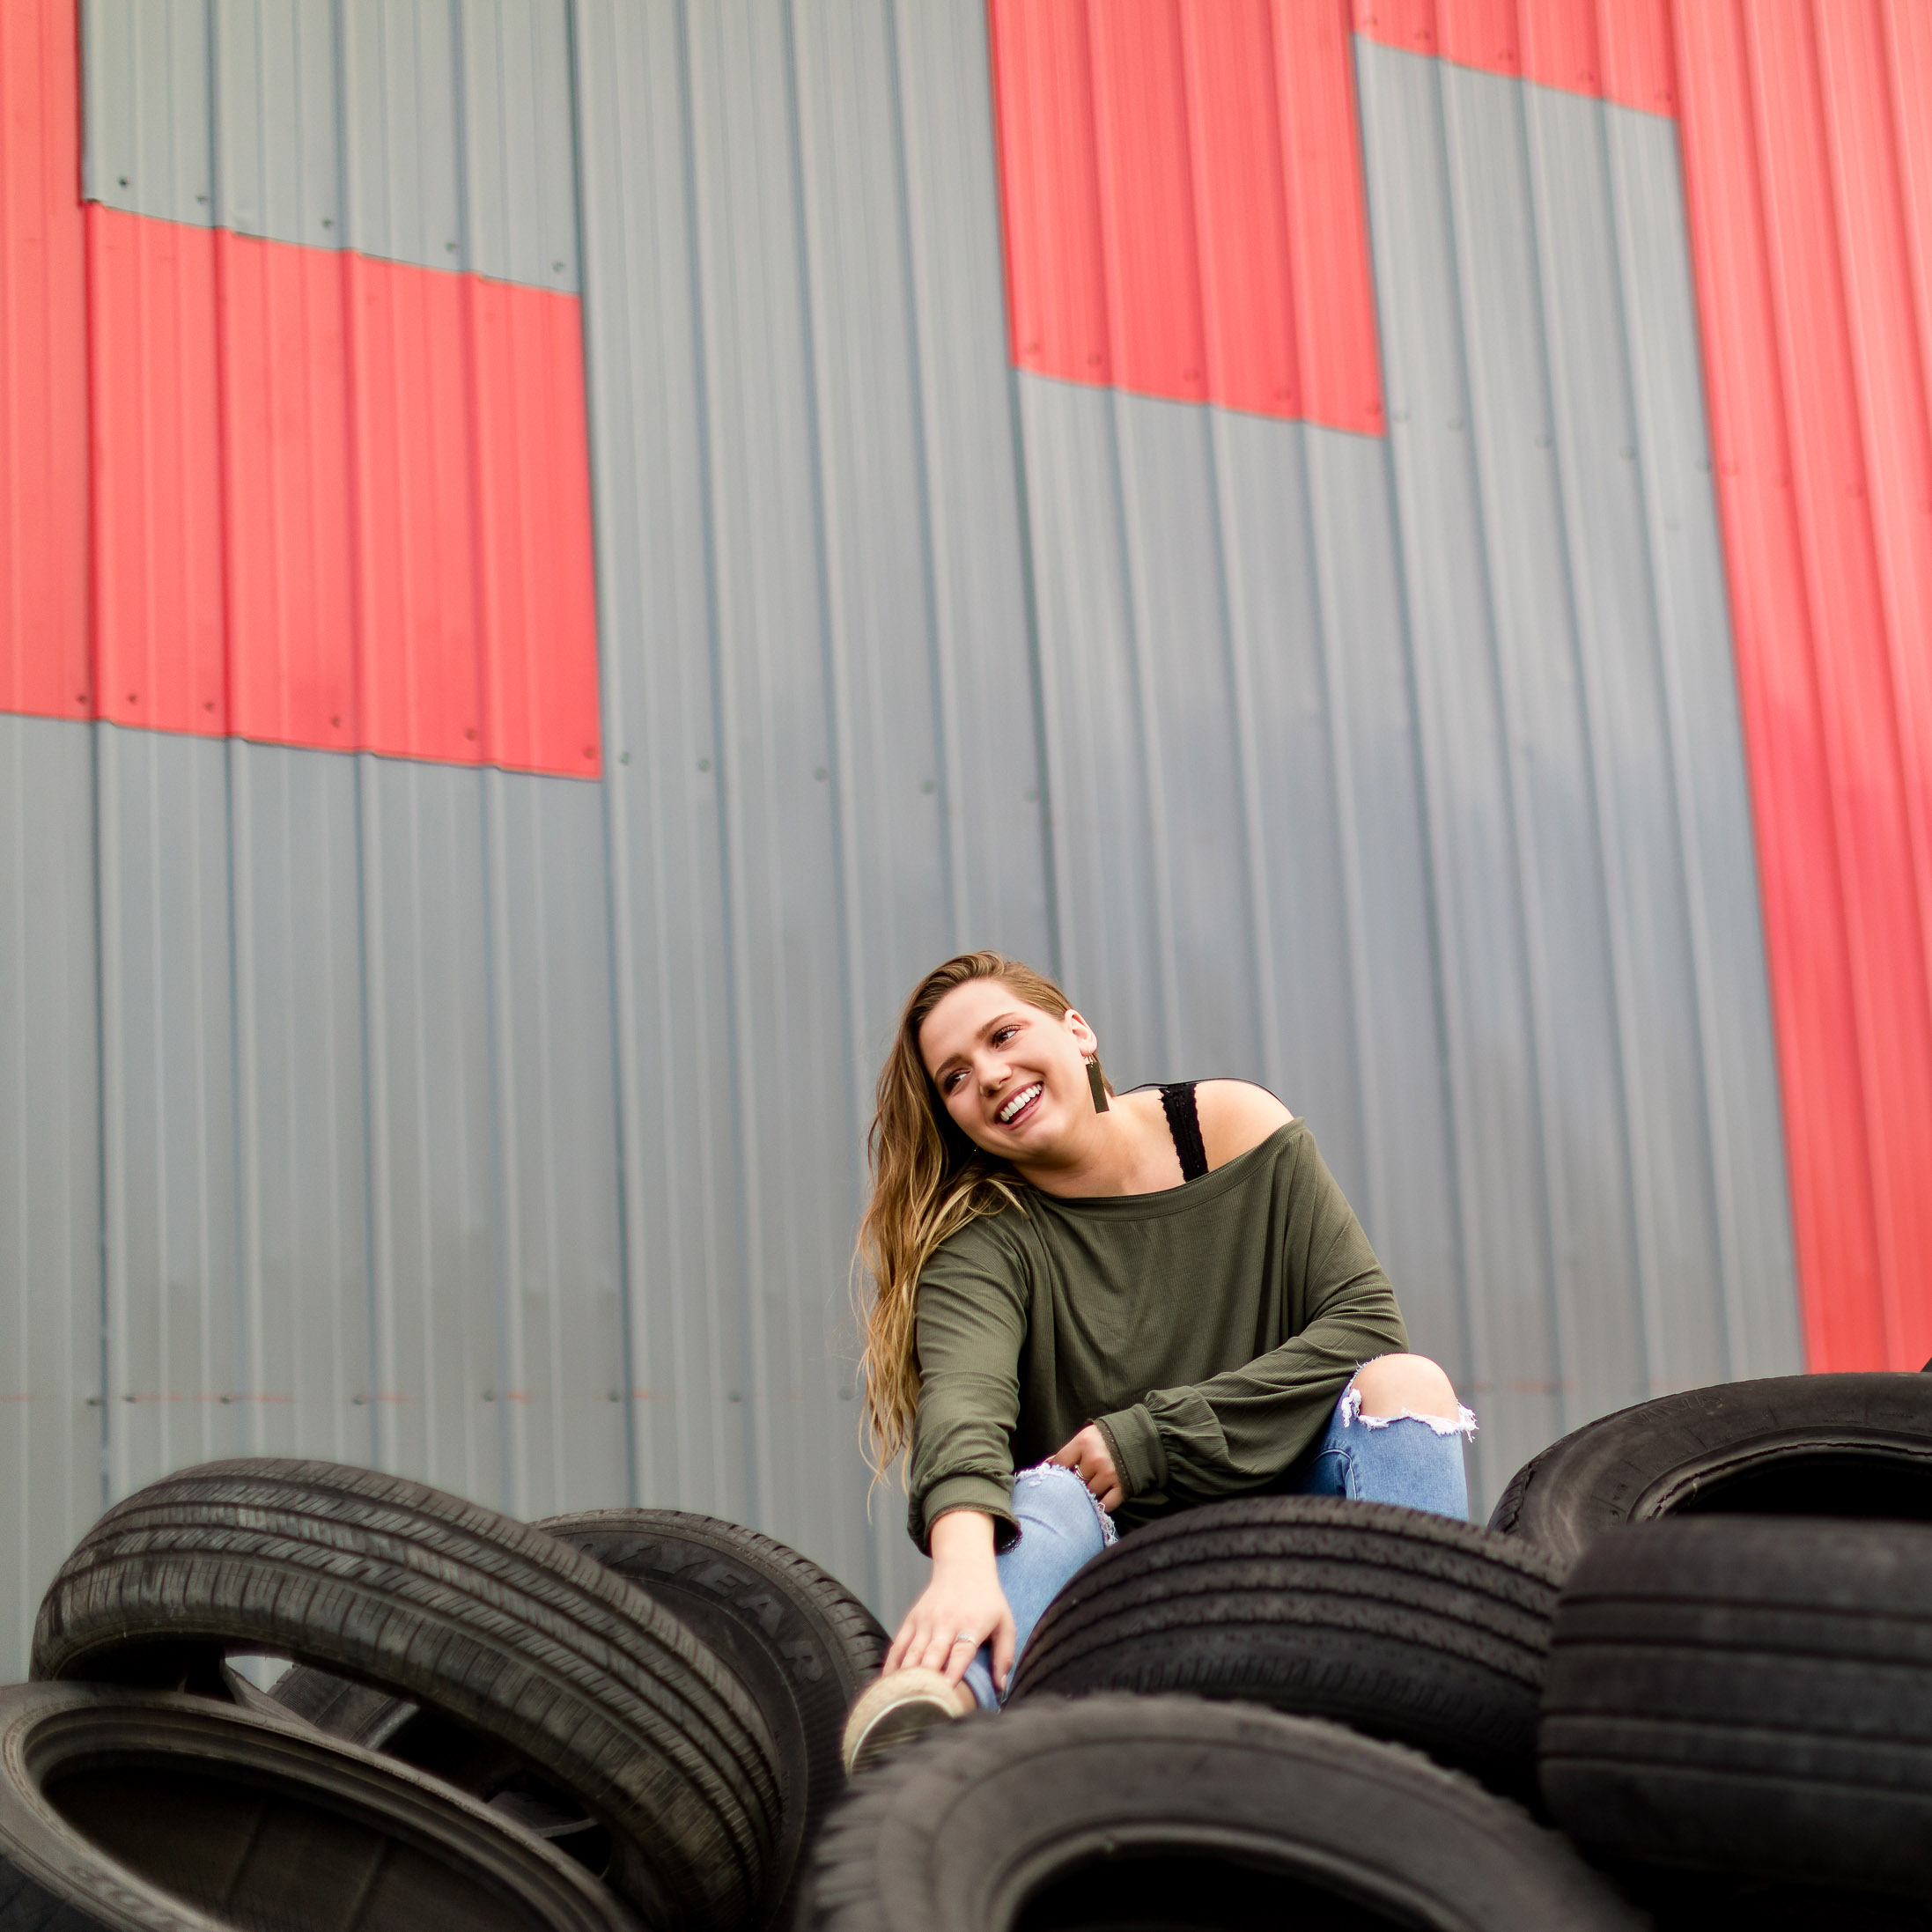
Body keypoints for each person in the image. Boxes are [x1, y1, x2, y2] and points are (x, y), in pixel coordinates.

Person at [839, 951, 1476, 1773]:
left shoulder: (1227, 1128)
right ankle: (944, 1729)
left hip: (1290, 1508)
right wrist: (959, 1569)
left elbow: (1362, 1322)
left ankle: (1438, 1698)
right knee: (1046, 1490)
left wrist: (1149, 1439)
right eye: (956, 1077)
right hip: (1113, 1570)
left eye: (1004, 1035)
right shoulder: (984, 1239)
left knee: (1408, 1383)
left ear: (1077, 1031)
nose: (990, 1076)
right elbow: (966, 1410)